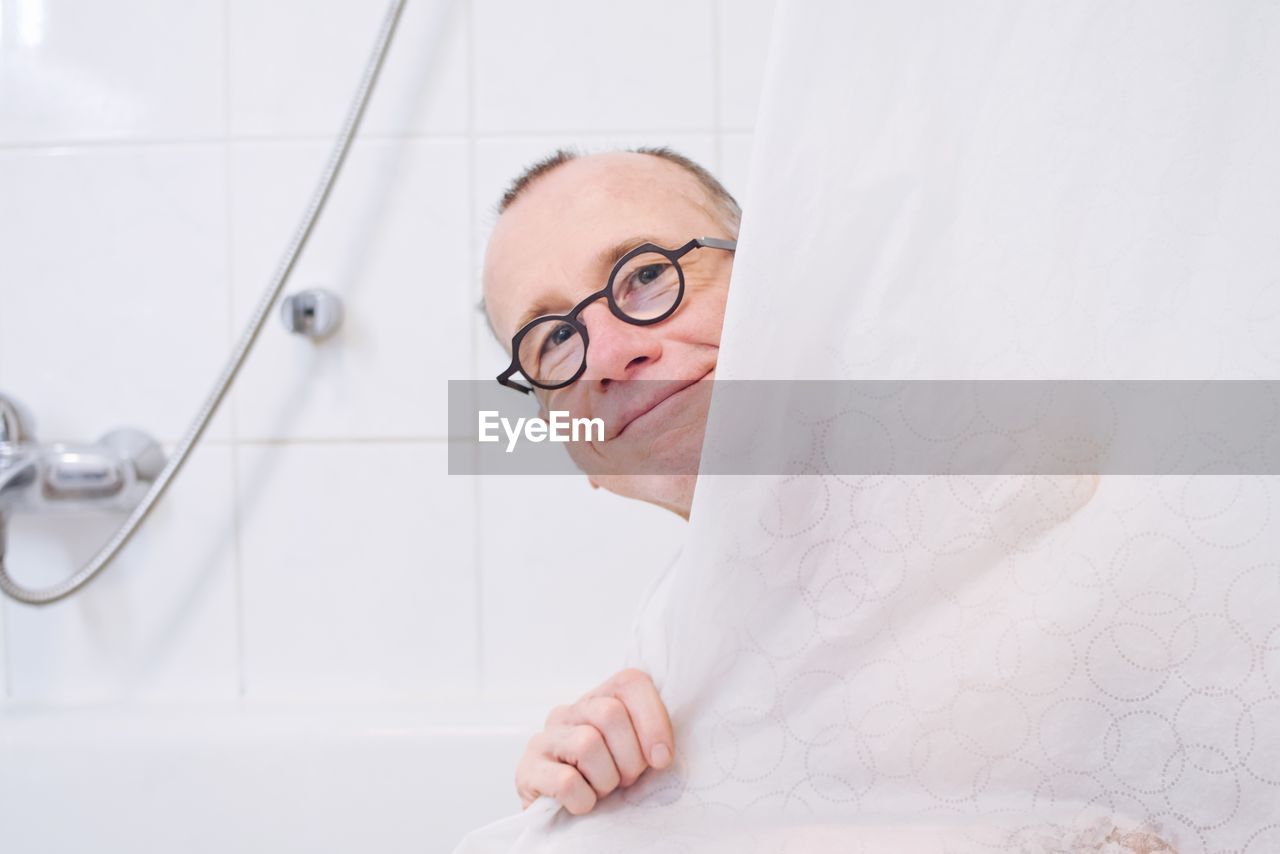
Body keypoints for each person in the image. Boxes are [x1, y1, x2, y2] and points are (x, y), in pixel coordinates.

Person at [479, 146, 740, 815]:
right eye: (557, 337)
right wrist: (574, 786)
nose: (611, 355)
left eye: (647, 273)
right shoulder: (669, 638)